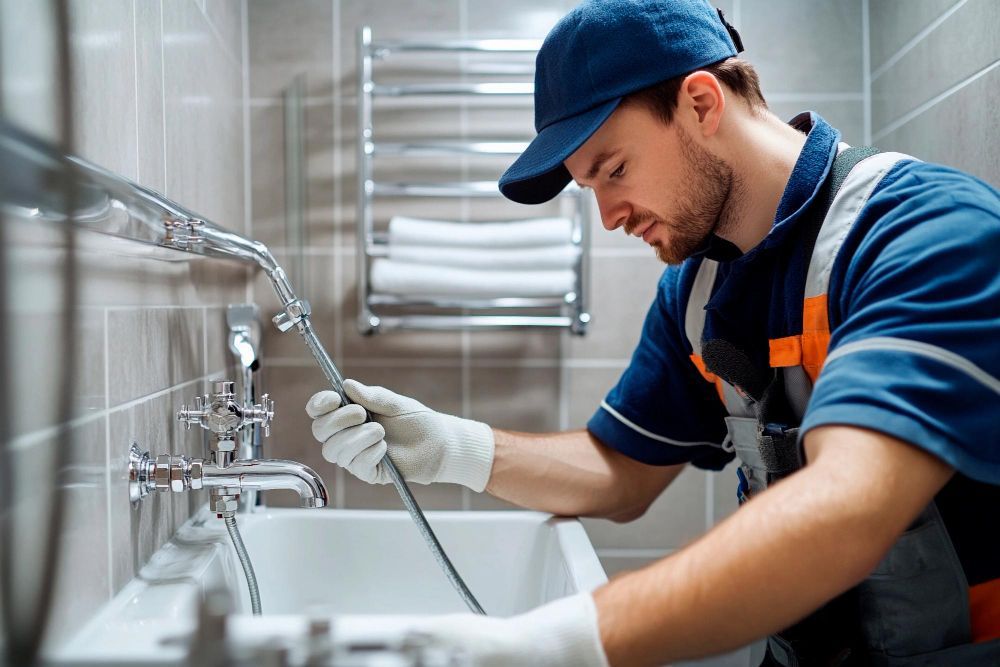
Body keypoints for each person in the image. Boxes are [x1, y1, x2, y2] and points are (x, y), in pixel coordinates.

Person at [305, 0, 1000, 664]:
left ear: (701, 103)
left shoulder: (922, 233)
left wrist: (561, 641)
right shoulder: (696, 293)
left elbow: (849, 509)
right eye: (590, 188)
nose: (608, 215)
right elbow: (624, 470)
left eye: (614, 169)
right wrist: (450, 447)